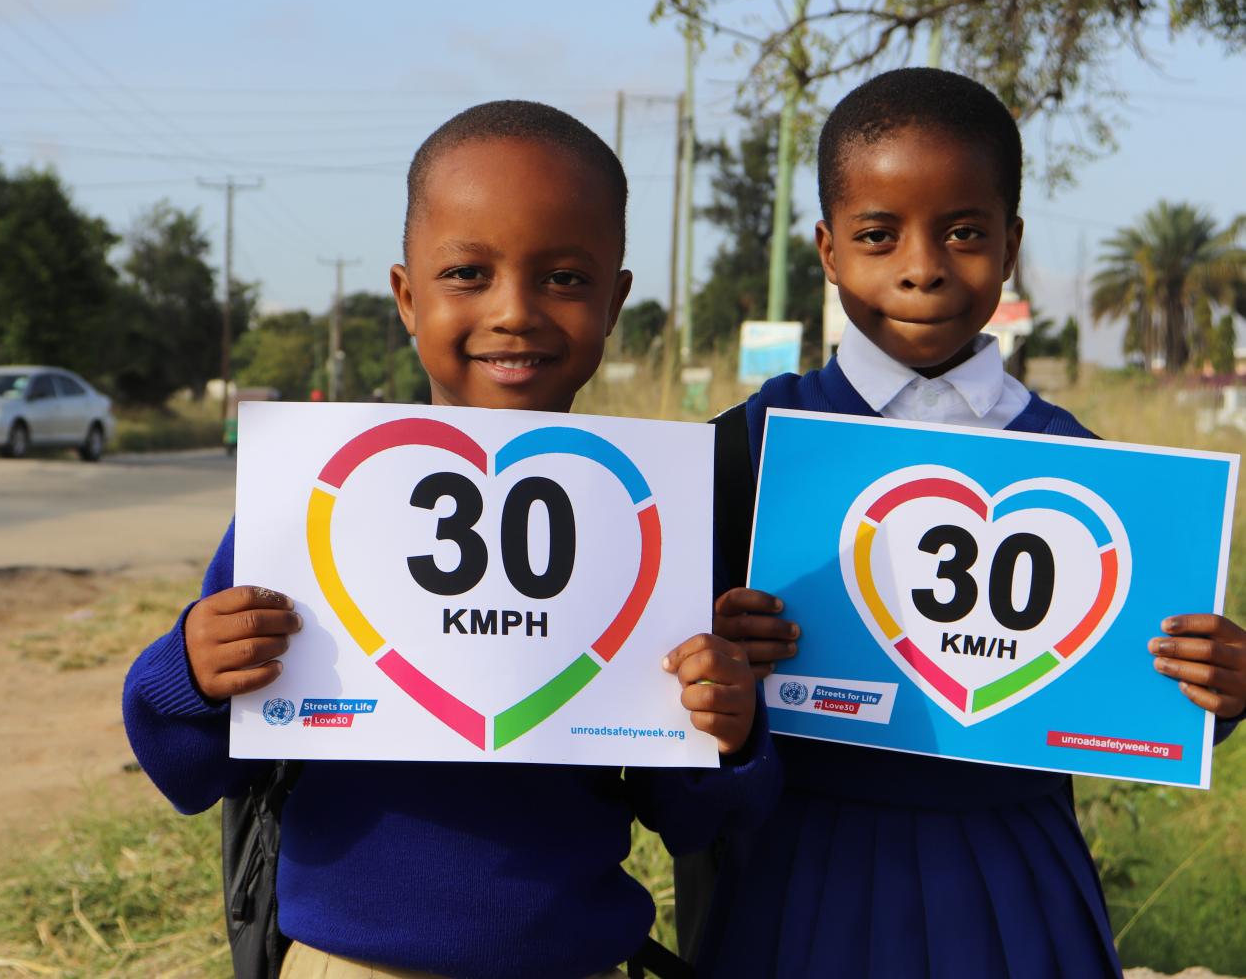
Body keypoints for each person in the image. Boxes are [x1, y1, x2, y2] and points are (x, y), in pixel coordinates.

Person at [123, 100, 780, 979]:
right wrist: (195, 673)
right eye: (468, 273)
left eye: (565, 279)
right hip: (347, 965)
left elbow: (694, 814)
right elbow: (184, 770)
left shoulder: (649, 522)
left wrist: (728, 731)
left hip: (575, 963)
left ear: (616, 301)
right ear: (406, 295)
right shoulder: (316, 501)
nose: (514, 312)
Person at [688, 67, 1246, 978]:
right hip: (800, 866)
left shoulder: (1087, 472)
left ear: (1012, 243)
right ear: (827, 251)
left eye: (964, 232)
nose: (922, 266)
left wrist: (1218, 686)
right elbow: (677, 694)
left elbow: (1140, 694)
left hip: (1012, 872)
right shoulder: (747, 447)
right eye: (878, 235)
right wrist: (717, 654)